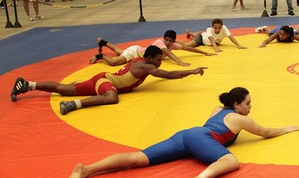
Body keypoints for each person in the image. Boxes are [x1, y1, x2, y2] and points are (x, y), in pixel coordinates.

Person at [65, 87, 299, 178]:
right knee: (231, 161)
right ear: (237, 105)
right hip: (200, 138)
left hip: (187, 135)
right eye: (248, 103)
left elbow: (209, 130)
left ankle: (86, 169)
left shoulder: (218, 108)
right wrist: (288, 128)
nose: (250, 107)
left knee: (138, 158)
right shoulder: (240, 119)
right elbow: (266, 132)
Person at [11, 45, 207, 115]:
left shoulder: (142, 61)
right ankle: (73, 105)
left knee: (64, 87)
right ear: (149, 58)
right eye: (158, 60)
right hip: (107, 83)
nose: (159, 63)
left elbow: (158, 74)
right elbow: (170, 75)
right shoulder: (146, 66)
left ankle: (28, 84)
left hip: (102, 78)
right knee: (111, 97)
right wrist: (193, 71)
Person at [91, 30, 214, 66]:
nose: (168, 43)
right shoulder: (160, 43)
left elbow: (187, 48)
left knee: (119, 51)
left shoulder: (172, 45)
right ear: (163, 38)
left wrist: (204, 53)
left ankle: (103, 42)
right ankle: (100, 56)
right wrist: (181, 63)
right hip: (136, 53)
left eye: (170, 41)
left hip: (137, 49)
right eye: (166, 40)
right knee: (114, 62)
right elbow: (169, 54)